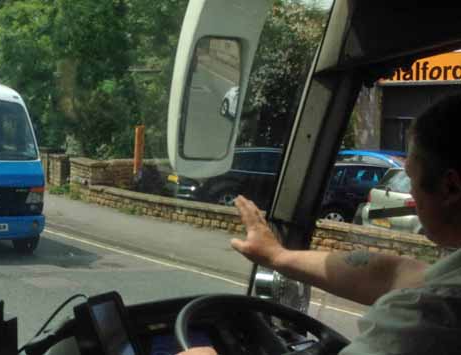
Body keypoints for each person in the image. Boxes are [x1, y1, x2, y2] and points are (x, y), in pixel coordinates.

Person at [179, 94, 461, 355]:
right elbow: (394, 274)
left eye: (411, 177)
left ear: (450, 187)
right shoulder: (448, 279)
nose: (410, 193)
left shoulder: (428, 318)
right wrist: (278, 255)